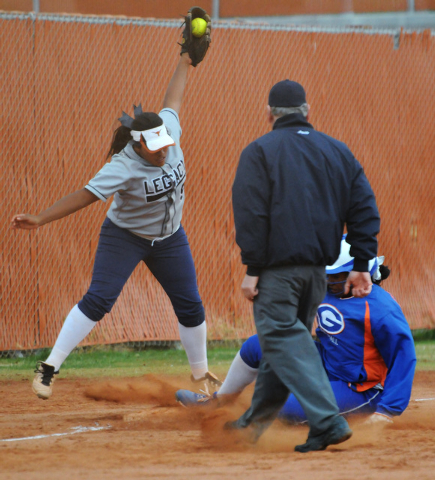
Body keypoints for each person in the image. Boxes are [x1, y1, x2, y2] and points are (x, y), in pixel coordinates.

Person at [11, 48, 221, 400]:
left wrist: (184, 61)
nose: (162, 151)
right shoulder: (123, 167)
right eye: (154, 148)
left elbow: (173, 97)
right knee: (100, 299)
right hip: (125, 236)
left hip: (169, 238)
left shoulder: (168, 132)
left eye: (164, 144)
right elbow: (85, 195)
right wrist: (41, 218)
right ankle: (49, 367)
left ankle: (201, 374)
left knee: (190, 304)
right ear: (137, 145)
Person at [228, 80, 381, 452]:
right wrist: (361, 262)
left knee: (283, 338)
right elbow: (364, 209)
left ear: (269, 115)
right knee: (282, 346)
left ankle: (327, 421)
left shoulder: (259, 151)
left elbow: (251, 214)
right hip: (316, 274)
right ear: (307, 112)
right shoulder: (337, 151)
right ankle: (251, 426)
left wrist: (253, 268)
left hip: (277, 272)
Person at [176, 237, 417, 428]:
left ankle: (251, 419)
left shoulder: (380, 309)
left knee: (284, 409)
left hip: (360, 388)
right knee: (257, 345)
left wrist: (387, 412)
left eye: (336, 276)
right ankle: (219, 401)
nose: (328, 280)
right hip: (325, 362)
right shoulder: (327, 288)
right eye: (326, 274)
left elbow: (404, 356)